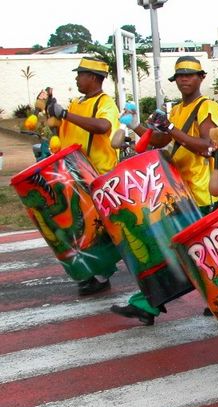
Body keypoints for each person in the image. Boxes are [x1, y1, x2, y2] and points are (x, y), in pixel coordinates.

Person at [110, 56, 218, 325]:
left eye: (190, 75)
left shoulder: (207, 106)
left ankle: (148, 304)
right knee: (193, 254)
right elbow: (162, 140)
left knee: (189, 254)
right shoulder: (177, 111)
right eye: (180, 76)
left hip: (199, 193)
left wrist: (171, 127)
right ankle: (214, 299)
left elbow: (207, 146)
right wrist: (137, 125)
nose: (184, 79)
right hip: (177, 191)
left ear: (201, 78)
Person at [47, 57, 120, 296]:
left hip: (97, 175)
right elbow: (65, 134)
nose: (76, 78)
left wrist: (65, 113)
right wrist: (54, 118)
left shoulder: (105, 102)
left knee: (101, 228)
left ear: (94, 77)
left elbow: (102, 127)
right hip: (73, 175)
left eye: (80, 74)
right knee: (81, 228)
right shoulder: (77, 103)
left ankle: (102, 272)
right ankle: (93, 275)